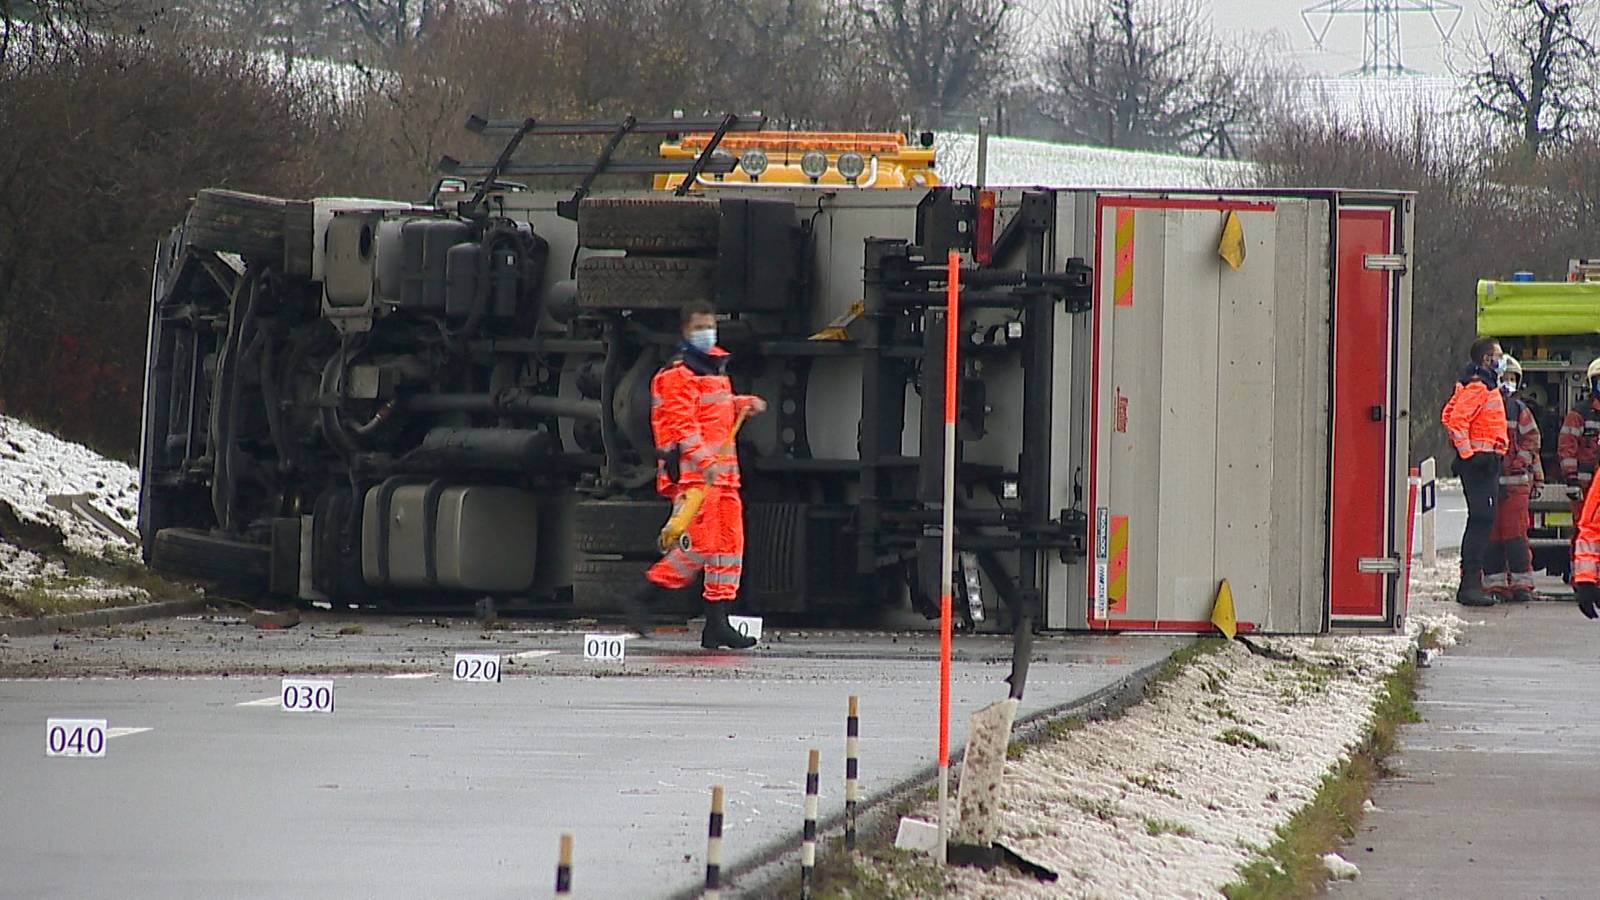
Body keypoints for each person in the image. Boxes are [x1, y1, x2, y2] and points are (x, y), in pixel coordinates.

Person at [620, 300, 768, 649]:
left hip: (723, 477)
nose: (708, 332)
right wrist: (705, 463)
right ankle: (645, 596)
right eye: (700, 326)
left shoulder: (713, 368)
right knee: (700, 545)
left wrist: (741, 403)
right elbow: (683, 427)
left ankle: (718, 623)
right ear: (686, 331)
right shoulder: (676, 375)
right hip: (697, 478)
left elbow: (713, 412)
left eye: (710, 325)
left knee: (729, 547)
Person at [1441, 337, 1509, 606]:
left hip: (1484, 463)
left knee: (1481, 521)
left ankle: (1471, 584)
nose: (1501, 360)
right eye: (1498, 355)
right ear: (1486, 360)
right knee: (1481, 522)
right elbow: (1455, 421)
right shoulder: (1479, 387)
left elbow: (1447, 414)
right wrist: (1469, 455)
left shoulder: (1479, 385)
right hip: (1481, 465)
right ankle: (1470, 585)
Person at [1482, 356, 1541, 603]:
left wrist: (1522, 465)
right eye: (1504, 378)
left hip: (1515, 484)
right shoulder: (1485, 406)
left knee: (1516, 535)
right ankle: (1495, 584)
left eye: (1512, 379)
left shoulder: (1519, 411)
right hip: (1491, 483)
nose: (1508, 383)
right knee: (1492, 535)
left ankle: (1522, 585)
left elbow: (1532, 440)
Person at [1557, 358, 1600, 568]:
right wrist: (1571, 480)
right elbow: (1567, 447)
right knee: (1585, 531)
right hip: (1586, 485)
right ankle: (1582, 577)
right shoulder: (1579, 414)